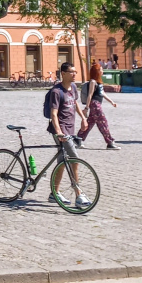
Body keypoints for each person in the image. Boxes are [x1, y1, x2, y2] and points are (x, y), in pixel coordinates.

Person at [47, 62, 91, 208]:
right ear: (63, 73)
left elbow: (75, 103)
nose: (74, 74)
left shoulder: (72, 87)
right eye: (71, 72)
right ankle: (78, 194)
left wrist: (83, 118)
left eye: (75, 72)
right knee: (74, 159)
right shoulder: (56, 91)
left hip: (70, 130)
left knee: (62, 161)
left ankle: (54, 193)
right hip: (60, 131)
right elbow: (53, 114)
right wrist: (59, 132)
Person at [78, 62, 120, 149]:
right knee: (103, 122)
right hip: (95, 104)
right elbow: (90, 95)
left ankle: (78, 138)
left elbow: (102, 93)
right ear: (97, 71)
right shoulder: (93, 82)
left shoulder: (99, 82)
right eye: (101, 69)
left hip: (97, 104)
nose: (102, 70)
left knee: (89, 123)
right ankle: (109, 142)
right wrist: (86, 108)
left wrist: (111, 102)